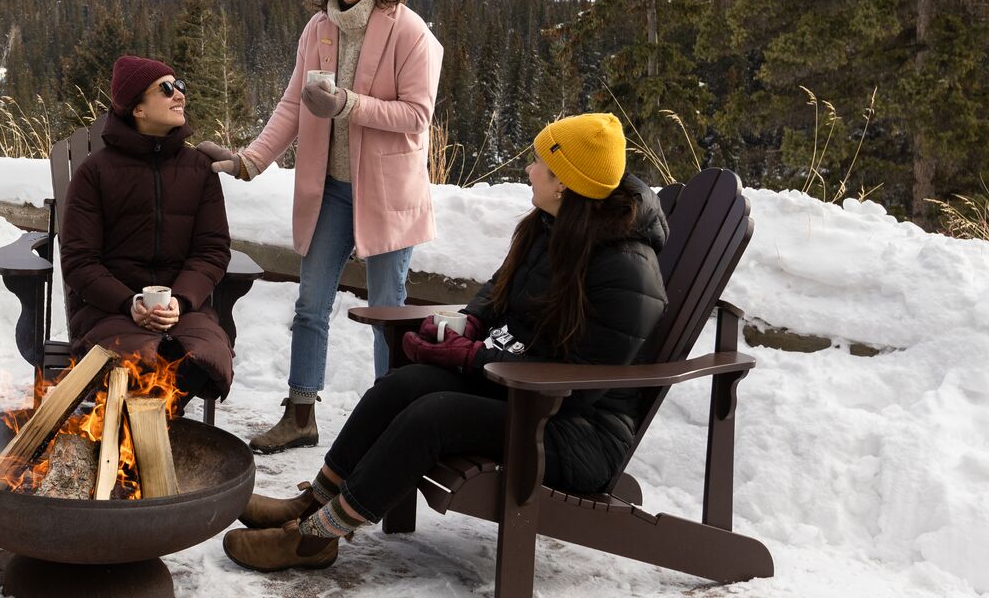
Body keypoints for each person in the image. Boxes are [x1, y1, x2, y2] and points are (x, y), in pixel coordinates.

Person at [219, 113, 669, 571]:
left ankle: (318, 537)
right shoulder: (551, 227)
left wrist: (473, 359)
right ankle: (312, 502)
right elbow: (497, 291)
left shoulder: (626, 272)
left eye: (539, 165)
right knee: (403, 384)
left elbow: (580, 387)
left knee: (435, 416)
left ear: (565, 186)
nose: (529, 171)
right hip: (521, 391)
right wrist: (471, 324)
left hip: (573, 430)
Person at [202, 0, 443, 453]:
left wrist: (350, 105)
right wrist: (250, 161)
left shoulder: (409, 32)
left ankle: (389, 420)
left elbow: (417, 115)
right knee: (311, 303)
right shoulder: (319, 30)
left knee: (388, 308)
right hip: (331, 188)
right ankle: (301, 413)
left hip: (386, 192)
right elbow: (292, 104)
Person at [60, 55, 235, 407]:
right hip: (108, 311)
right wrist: (130, 303)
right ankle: (139, 443)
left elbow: (212, 249)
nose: (179, 95)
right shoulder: (95, 173)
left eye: (180, 85)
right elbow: (80, 260)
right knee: (133, 360)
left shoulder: (199, 170)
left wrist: (181, 300)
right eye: (166, 89)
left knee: (202, 356)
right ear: (137, 109)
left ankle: (142, 439)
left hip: (183, 312)